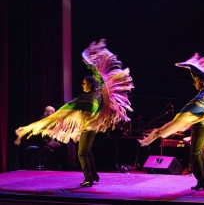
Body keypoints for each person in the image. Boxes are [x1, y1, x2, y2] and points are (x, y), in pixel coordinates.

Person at [15, 39, 134, 187]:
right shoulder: (92, 95)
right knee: (86, 151)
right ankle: (94, 174)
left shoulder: (91, 96)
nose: (82, 85)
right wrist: (91, 66)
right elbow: (69, 107)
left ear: (89, 84)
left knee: (81, 153)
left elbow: (99, 82)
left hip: (90, 126)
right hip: (91, 126)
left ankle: (88, 178)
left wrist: (91, 65)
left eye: (84, 83)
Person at [139, 53, 204, 190]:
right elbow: (199, 79)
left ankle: (202, 181)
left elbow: (187, 113)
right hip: (200, 126)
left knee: (195, 154)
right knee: (197, 153)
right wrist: (190, 67)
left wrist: (160, 132)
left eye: (196, 80)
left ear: (203, 81)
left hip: (203, 126)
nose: (194, 82)